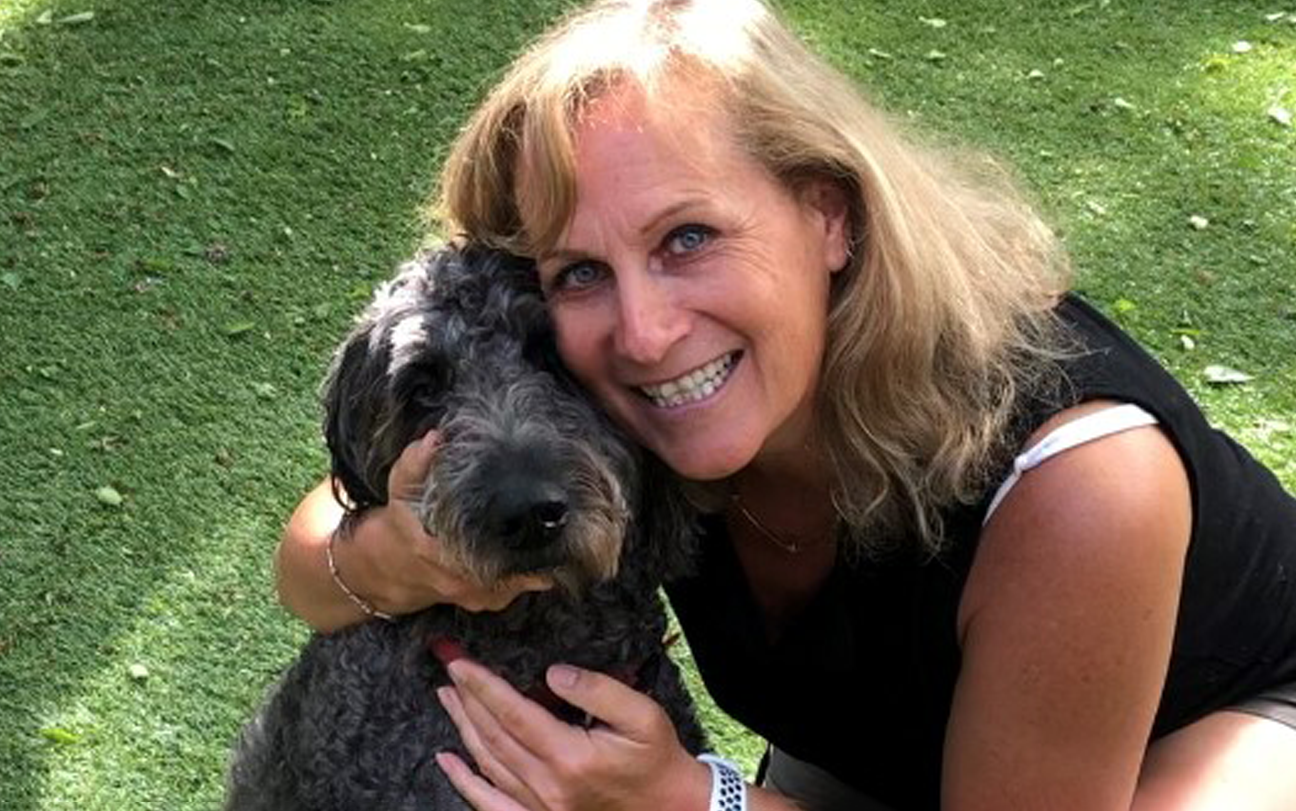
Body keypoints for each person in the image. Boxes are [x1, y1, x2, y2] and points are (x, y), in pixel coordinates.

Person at [274, 1, 1296, 808]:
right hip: (905, 742)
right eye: (580, 270)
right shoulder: (613, 390)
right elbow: (310, 560)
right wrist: (401, 555)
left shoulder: (1084, 478)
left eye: (689, 239)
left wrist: (692, 800)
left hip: (1220, 718)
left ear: (829, 216)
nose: (645, 330)